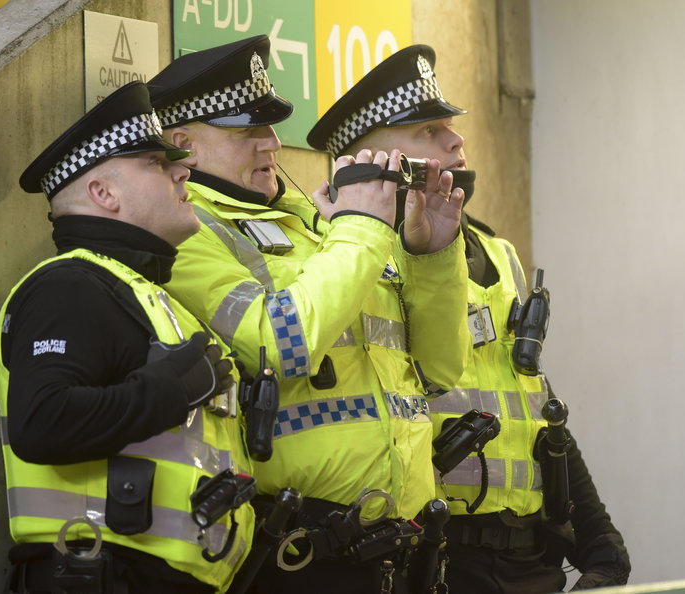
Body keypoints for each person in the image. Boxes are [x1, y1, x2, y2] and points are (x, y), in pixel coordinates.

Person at [146, 35, 471, 593]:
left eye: (272, 126)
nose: (272, 144)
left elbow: (441, 372)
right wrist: (363, 228)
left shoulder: (317, 219)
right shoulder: (187, 229)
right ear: (185, 145)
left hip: (404, 541)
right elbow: (280, 346)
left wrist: (432, 254)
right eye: (248, 129)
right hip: (304, 546)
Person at [307, 44, 631, 593]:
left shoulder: (496, 252)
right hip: (433, 552)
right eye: (428, 131)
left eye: (449, 126)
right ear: (372, 156)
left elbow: (533, 404)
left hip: (532, 555)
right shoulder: (336, 262)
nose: (456, 140)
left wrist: (596, 538)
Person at [0, 81, 255, 594]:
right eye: (157, 164)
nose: (184, 171)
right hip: (100, 575)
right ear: (103, 193)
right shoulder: (69, 285)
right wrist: (170, 391)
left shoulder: (140, 292)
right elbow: (41, 421)